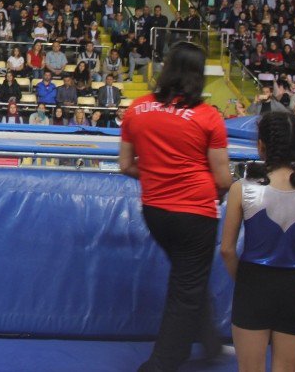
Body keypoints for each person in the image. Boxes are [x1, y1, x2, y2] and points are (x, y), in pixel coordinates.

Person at [118, 42, 232, 371]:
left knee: (189, 279)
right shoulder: (207, 116)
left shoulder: (137, 108)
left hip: (156, 211)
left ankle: (209, 343)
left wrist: (158, 174)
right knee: (187, 285)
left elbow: (126, 165)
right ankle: (161, 363)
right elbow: (223, 178)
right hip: (194, 211)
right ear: (198, 74)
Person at [220, 112, 295, 372]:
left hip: (253, 283)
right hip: (291, 286)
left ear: (261, 145)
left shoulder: (242, 188)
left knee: (250, 368)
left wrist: (245, 279)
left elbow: (227, 250)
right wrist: (293, 276)